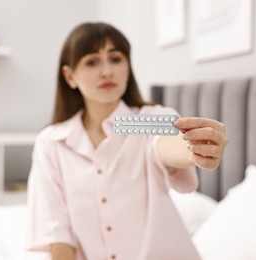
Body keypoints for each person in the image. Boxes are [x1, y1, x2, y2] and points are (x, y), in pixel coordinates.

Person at [26, 22, 228, 260]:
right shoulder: (51, 143)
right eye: (92, 62)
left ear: (128, 68)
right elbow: (57, 234)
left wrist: (196, 148)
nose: (107, 71)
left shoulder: (151, 119)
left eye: (116, 59)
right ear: (70, 76)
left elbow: (166, 144)